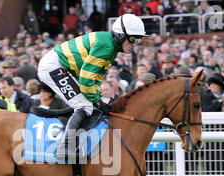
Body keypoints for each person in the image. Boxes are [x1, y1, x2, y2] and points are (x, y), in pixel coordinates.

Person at [37, 13, 147, 160]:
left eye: (137, 39)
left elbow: (98, 76)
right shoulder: (107, 46)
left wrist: (98, 98)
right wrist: (96, 101)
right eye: (133, 39)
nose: (134, 44)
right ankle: (65, 149)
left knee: (91, 104)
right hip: (54, 66)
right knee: (84, 106)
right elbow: (86, 78)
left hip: (62, 67)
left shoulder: (112, 46)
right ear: (121, 35)